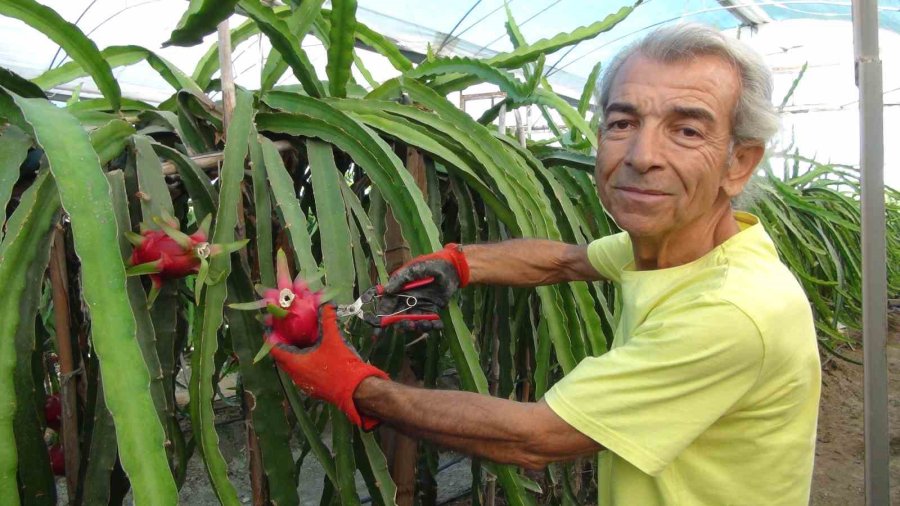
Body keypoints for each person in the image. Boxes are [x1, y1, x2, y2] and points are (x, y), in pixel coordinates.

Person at [271, 23, 821, 505]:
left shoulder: (732, 310)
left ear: (739, 163)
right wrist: (457, 263)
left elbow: (537, 436)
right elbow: (561, 261)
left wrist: (354, 384)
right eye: (622, 123)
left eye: (687, 130)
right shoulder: (673, 248)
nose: (641, 156)